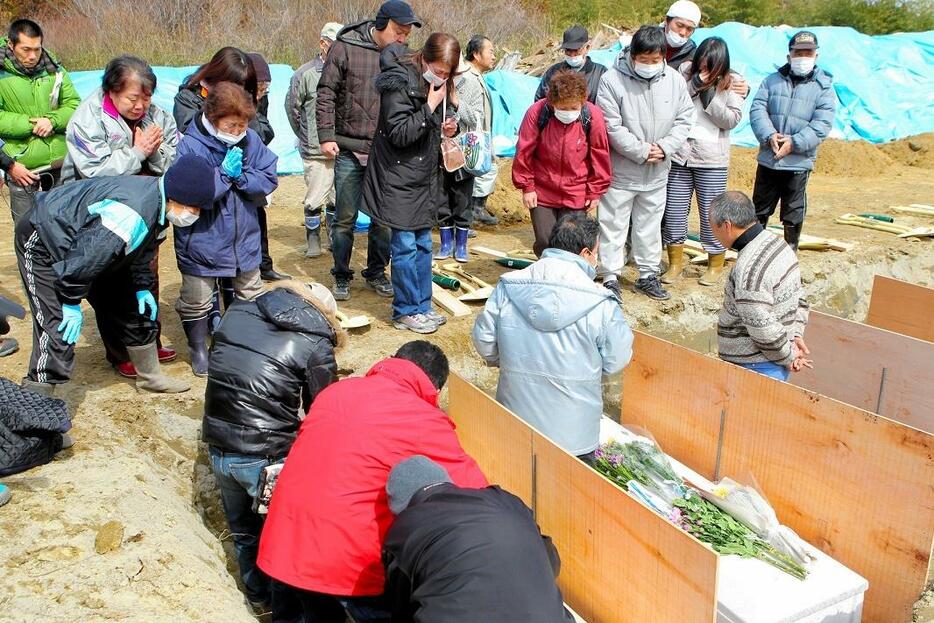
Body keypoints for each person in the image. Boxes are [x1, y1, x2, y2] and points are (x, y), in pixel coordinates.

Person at [257, 341, 488, 623]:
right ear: (435, 389)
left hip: (286, 542)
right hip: (347, 565)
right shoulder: (421, 417)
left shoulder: (337, 391)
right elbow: (474, 493)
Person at [14, 153, 215, 395]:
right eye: (193, 208)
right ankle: (36, 400)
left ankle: (150, 377)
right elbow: (86, 258)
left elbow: (142, 249)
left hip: (90, 246)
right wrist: (69, 301)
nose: (194, 214)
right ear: (178, 195)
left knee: (134, 308)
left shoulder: (159, 204)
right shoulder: (130, 212)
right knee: (56, 325)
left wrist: (141, 286)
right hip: (44, 238)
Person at [203, 279, 344, 611]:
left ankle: (256, 596)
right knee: (282, 540)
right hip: (264, 456)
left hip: (218, 441)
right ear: (325, 315)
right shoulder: (315, 341)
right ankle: (286, 614)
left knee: (243, 532)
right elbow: (323, 412)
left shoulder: (236, 312)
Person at [472, 213, 633, 462]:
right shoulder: (600, 300)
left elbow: (484, 341)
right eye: (596, 254)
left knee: (513, 492)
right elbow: (616, 359)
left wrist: (508, 363)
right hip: (574, 435)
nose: (597, 261)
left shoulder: (510, 285)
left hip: (515, 420)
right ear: (585, 253)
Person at [62, 55, 180, 379]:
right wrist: (136, 153)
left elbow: (175, 160)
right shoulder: (87, 118)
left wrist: (153, 151)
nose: (141, 105)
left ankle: (147, 341)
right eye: (133, 98)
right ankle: (120, 352)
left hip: (147, 212)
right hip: (103, 219)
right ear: (111, 91)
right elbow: (94, 173)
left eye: (147, 97)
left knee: (147, 277)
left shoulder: (159, 116)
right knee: (110, 285)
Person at [383, 456, 576, 623]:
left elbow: (401, 611)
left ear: (402, 508)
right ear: (447, 482)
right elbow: (551, 560)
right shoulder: (506, 501)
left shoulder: (403, 531)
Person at [317, 0, 422, 302]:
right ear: (381, 24)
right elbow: (325, 92)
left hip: (386, 151)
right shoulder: (346, 46)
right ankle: (341, 274)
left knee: (384, 218)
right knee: (345, 217)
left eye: (406, 34)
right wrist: (326, 135)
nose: (402, 39)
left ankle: (376, 271)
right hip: (349, 147)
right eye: (398, 32)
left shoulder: (404, 56)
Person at [174, 82, 279, 376]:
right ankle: (198, 348)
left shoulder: (251, 141)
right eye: (231, 125)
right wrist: (222, 176)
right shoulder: (191, 145)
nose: (236, 131)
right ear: (213, 117)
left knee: (250, 292)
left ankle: (243, 344)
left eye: (242, 125)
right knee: (197, 298)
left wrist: (242, 177)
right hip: (203, 238)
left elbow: (268, 177)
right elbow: (192, 192)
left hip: (243, 236)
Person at [362, 33, 460, 335]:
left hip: (423, 177)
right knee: (404, 247)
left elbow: (425, 126)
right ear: (425, 59)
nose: (442, 76)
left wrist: (446, 123)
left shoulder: (438, 85)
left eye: (447, 72)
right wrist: (429, 107)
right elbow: (400, 133)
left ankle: (423, 305)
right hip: (397, 177)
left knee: (422, 245)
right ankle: (405, 310)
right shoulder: (400, 81)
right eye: (438, 69)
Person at [595, 25, 694, 302]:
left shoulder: (674, 81)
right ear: (632, 55)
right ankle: (610, 275)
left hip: (658, 170)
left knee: (649, 225)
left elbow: (685, 119)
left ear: (663, 56)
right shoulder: (612, 80)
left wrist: (664, 148)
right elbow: (610, 125)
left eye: (655, 60)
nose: (649, 65)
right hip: (622, 171)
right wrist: (640, 150)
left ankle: (647, 274)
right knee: (613, 222)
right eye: (644, 60)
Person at [661, 37, 743, 287]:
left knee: (713, 213)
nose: (706, 72)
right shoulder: (684, 73)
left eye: (712, 68)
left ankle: (715, 264)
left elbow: (732, 119)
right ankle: (675, 263)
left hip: (712, 160)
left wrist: (711, 98)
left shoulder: (733, 82)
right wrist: (695, 85)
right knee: (674, 211)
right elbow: (669, 102)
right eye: (703, 66)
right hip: (680, 155)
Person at [710, 191, 811, 381]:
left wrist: (788, 355)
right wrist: (795, 334)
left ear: (726, 226)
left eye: (712, 226)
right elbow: (800, 298)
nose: (711, 233)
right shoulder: (777, 244)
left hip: (755, 366)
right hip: (773, 359)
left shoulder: (749, 270)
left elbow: (762, 328)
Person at [749, 31, 835, 252]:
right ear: (789, 55)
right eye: (799, 52)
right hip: (769, 158)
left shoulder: (824, 88)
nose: (803, 57)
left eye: (808, 52)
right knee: (760, 207)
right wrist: (770, 136)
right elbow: (758, 109)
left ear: (816, 55)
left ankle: (790, 252)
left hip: (798, 161)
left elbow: (822, 124)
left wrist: (795, 142)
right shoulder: (771, 81)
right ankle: (754, 252)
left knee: (793, 210)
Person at [513, 70, 611, 257]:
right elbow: (524, 151)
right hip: (543, 190)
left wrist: (595, 190)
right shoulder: (537, 113)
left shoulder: (592, 116)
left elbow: (599, 154)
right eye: (562, 109)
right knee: (545, 241)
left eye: (573, 108)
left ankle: (568, 280)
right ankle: (547, 276)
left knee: (571, 242)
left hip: (576, 190)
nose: (568, 113)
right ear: (552, 102)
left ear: (583, 100)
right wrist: (527, 186)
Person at [0, 19, 80, 224]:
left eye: (37, 49)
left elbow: (74, 105)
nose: (33, 56)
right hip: (22, 167)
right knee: (27, 232)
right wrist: (30, 124)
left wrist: (52, 121)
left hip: (60, 163)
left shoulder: (55, 69)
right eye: (26, 49)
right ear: (11, 45)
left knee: (63, 228)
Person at [286, 22, 343, 258]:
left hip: (342, 149)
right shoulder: (305, 74)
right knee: (314, 198)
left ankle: (332, 237)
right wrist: (307, 136)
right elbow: (292, 109)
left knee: (336, 199)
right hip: (316, 150)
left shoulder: (346, 72)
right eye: (335, 46)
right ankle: (313, 241)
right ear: (323, 43)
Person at [434, 54, 482, 264]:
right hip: (439, 149)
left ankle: (461, 244)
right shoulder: (435, 84)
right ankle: (446, 242)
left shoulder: (472, 85)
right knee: (441, 198)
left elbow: (477, 118)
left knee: (463, 199)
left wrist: (457, 102)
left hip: (464, 151)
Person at [246, 52, 290, 282]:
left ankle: (265, 266)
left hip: (257, 166)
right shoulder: (235, 99)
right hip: (239, 169)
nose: (263, 91)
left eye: (266, 87)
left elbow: (264, 127)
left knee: (260, 218)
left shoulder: (261, 98)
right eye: (259, 87)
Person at [663, 2, 749, 96]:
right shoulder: (647, 41)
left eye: (689, 29)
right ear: (666, 20)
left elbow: (718, 64)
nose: (683, 32)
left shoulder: (691, 52)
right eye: (679, 25)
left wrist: (742, 85)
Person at [461, 35, 499, 227]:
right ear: (476, 54)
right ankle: (466, 218)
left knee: (487, 170)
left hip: (479, 136)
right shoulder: (468, 77)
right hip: (469, 138)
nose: (494, 56)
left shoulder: (476, 76)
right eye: (490, 51)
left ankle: (474, 211)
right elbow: (460, 107)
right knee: (469, 178)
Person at [534, 25, 606, 104]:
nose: (572, 55)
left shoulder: (600, 73)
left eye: (576, 50)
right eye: (568, 50)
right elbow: (540, 101)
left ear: (587, 48)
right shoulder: (553, 72)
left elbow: (606, 104)